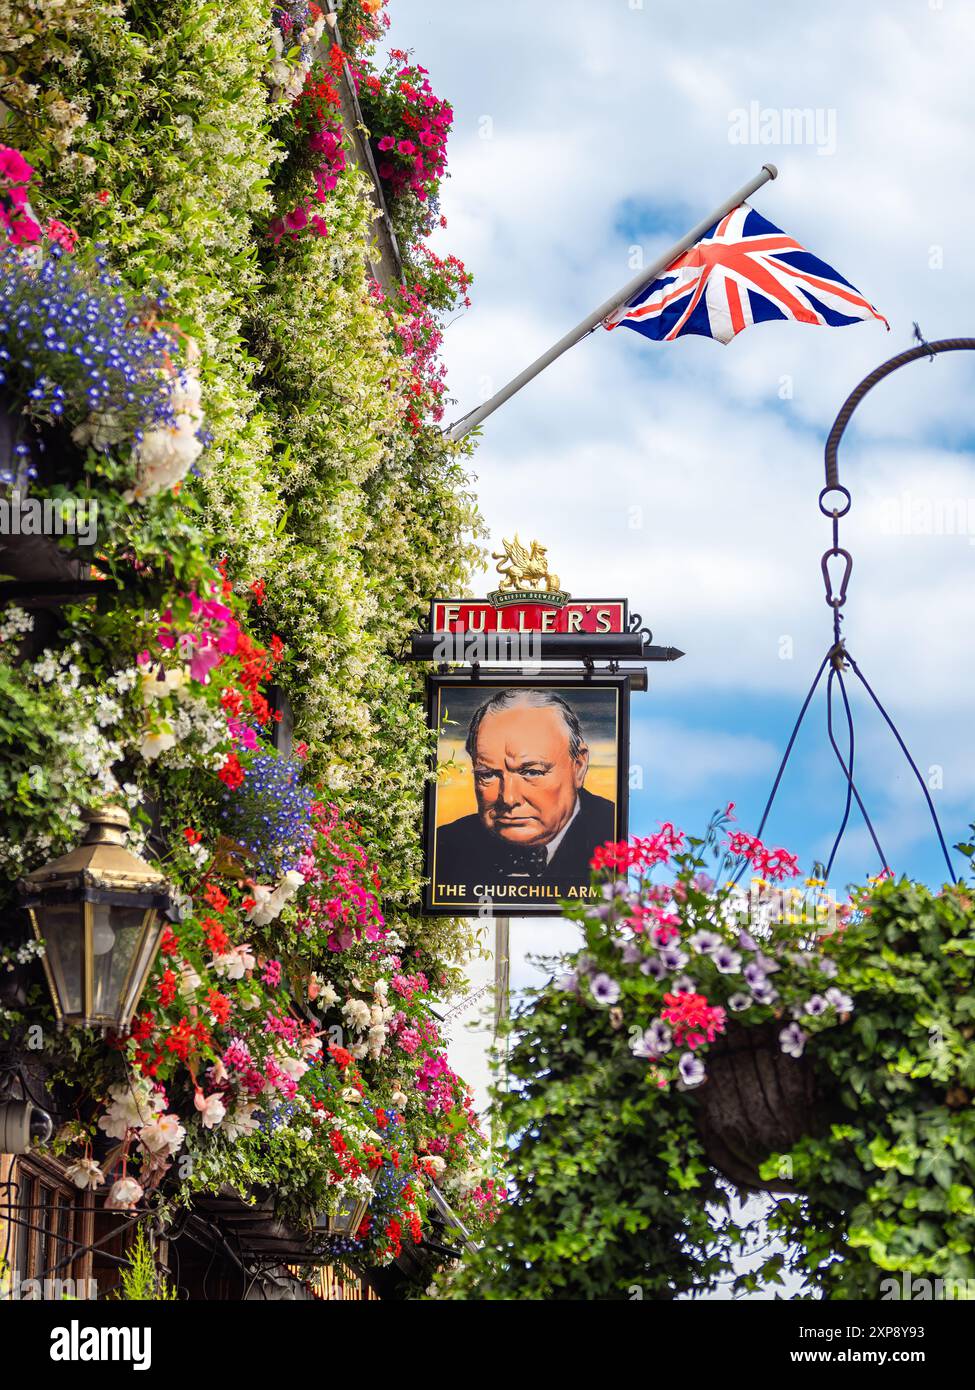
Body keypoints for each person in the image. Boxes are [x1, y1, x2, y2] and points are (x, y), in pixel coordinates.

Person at [435, 688, 615, 891]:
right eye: (487, 775)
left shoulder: (616, 837)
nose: (509, 798)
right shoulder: (444, 848)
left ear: (579, 766)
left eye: (531, 772)